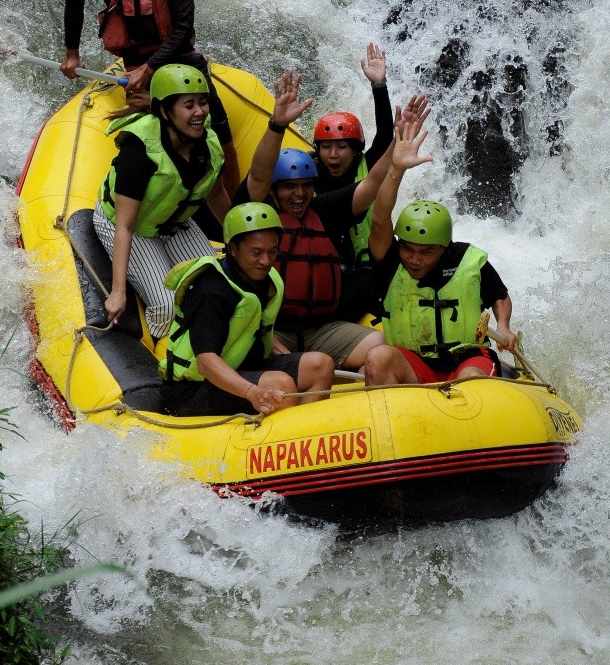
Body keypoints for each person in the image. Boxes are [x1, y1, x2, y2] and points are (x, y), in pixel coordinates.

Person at [59, 0, 239, 197]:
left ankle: (233, 200)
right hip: (134, 63)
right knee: (147, 139)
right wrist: (72, 53)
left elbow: (183, 28)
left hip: (179, 58)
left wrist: (151, 68)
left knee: (220, 130)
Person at [234, 69, 397, 374]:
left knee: (384, 348)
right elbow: (258, 174)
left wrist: (397, 153)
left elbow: (372, 184)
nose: (299, 194)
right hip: (271, 327)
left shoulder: (321, 210)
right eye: (289, 187)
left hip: (321, 325)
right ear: (274, 189)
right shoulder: (257, 215)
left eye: (305, 186)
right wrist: (277, 124)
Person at [364, 118, 520, 387]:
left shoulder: (467, 260)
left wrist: (503, 325)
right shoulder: (392, 261)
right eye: (408, 249)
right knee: (378, 358)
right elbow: (379, 220)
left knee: (469, 380)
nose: (414, 259)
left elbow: (499, 296)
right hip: (415, 363)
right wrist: (396, 170)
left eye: (425, 252)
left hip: (468, 359)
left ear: (443, 248)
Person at [93, 63, 230, 340]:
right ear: (165, 111)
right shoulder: (140, 150)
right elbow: (125, 226)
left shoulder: (208, 143)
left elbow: (216, 195)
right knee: (167, 305)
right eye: (188, 105)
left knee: (216, 290)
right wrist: (118, 292)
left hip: (174, 222)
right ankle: (162, 352)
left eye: (202, 103)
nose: (199, 112)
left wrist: (240, 238)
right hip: (129, 225)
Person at [159, 202, 334, 417]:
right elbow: (205, 362)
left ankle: (308, 436)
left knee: (321, 365)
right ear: (232, 249)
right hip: (191, 390)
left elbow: (255, 331)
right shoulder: (210, 290)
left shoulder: (262, 279)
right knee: (283, 386)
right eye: (256, 252)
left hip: (244, 367)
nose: (266, 261)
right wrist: (252, 392)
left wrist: (291, 361)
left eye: (272, 252)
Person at [313, 42, 430, 318]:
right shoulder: (310, 174)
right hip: (332, 265)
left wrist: (380, 86)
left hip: (372, 260)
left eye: (342, 147)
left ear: (355, 149)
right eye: (327, 147)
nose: (333, 155)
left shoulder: (368, 163)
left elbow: (387, 136)